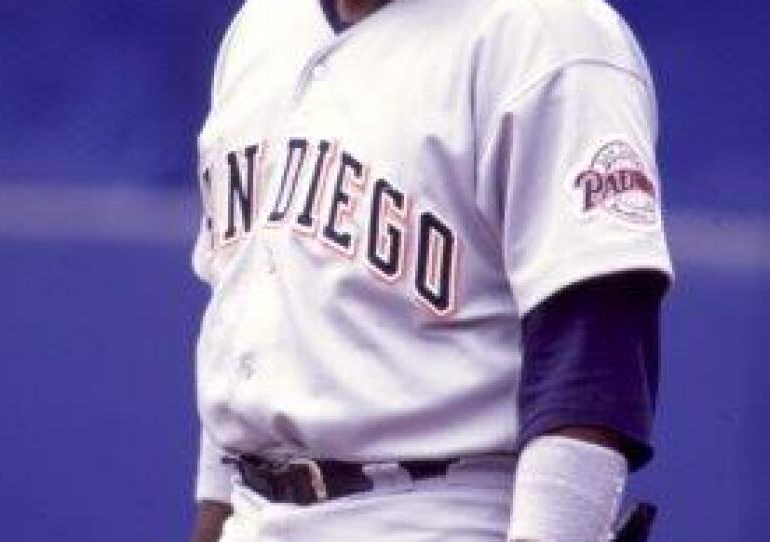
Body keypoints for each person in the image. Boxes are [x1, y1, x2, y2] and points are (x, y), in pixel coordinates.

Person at [189, 0, 672, 540]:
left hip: (442, 511)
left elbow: (595, 361)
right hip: (254, 511)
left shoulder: (550, 31)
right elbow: (242, 324)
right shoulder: (263, 24)